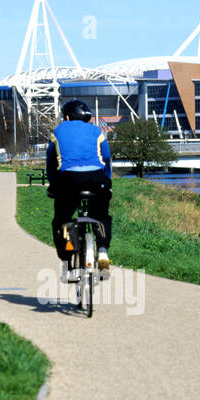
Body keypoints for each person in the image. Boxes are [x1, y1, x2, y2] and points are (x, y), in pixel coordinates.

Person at [46, 99, 112, 271]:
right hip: (97, 179)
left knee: (63, 217)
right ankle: (103, 251)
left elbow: (51, 161)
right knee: (101, 215)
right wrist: (108, 182)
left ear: (67, 117)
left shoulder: (58, 131)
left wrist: (53, 186)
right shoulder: (97, 131)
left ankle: (67, 258)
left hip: (69, 180)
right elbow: (106, 159)